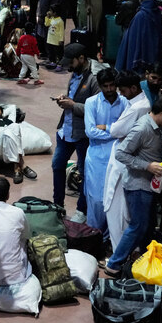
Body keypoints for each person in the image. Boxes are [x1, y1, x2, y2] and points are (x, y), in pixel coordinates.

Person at [103, 94, 162, 278]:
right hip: (138, 185)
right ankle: (114, 264)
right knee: (138, 225)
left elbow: (149, 147)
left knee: (148, 225)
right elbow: (121, 153)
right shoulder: (142, 128)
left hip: (148, 185)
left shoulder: (155, 127)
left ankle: (147, 260)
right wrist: (147, 166)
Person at [50, 43, 101, 223]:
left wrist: (73, 106)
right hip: (66, 131)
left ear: (81, 59)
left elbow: (99, 110)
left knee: (84, 172)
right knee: (57, 165)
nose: (68, 66)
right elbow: (74, 98)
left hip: (82, 134)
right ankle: (57, 206)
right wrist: (64, 100)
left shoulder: (95, 79)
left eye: (71, 62)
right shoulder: (75, 74)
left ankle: (82, 209)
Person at [83, 68, 129, 234]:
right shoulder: (91, 103)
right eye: (106, 86)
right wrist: (117, 131)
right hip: (97, 157)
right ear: (100, 86)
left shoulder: (125, 102)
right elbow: (90, 131)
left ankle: (111, 237)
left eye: (112, 86)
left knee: (115, 200)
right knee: (96, 200)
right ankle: (94, 235)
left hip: (119, 157)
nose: (109, 90)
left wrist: (107, 128)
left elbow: (129, 129)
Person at [0, 176, 35, 292]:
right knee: (22, 241)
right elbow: (27, 236)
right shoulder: (18, 212)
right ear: (8, 195)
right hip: (15, 278)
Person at [115, 0, 162, 70]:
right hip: (154, 48)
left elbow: (133, 38)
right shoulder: (157, 12)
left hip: (141, 50)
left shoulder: (141, 15)